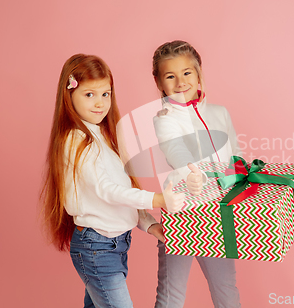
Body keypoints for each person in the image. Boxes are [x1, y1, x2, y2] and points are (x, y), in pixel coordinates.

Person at [40, 54, 185, 308]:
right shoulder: (75, 140)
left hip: (114, 246)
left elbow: (123, 191)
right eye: (89, 95)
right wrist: (157, 199)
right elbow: (107, 191)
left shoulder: (103, 136)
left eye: (105, 94)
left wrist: (149, 225)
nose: (100, 103)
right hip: (97, 248)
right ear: (69, 94)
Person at [151, 40, 241, 308]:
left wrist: (241, 176)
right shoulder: (164, 118)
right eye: (170, 76)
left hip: (219, 212)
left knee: (226, 287)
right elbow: (175, 150)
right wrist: (191, 173)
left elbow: (236, 157)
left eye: (187, 73)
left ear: (199, 73)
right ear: (159, 82)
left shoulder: (219, 113)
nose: (180, 82)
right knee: (171, 293)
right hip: (181, 213)